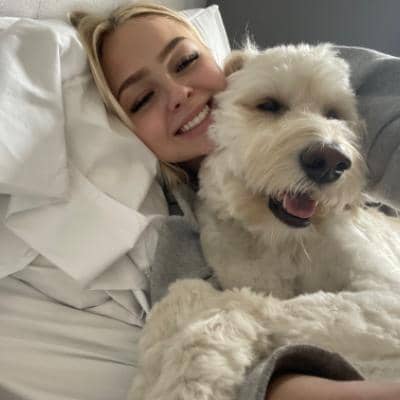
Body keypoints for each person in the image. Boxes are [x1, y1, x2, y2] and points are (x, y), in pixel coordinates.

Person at [69, 3, 400, 400]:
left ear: (225, 65)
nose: (178, 93)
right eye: (142, 99)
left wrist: (246, 319)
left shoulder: (299, 72)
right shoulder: (178, 235)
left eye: (186, 62)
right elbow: (252, 375)